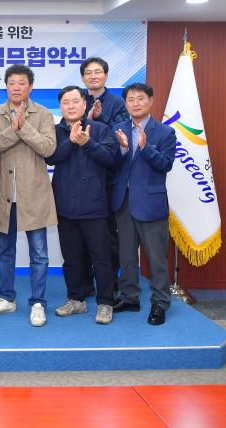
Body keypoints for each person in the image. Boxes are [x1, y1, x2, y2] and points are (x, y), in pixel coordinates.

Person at [0, 64, 57, 327]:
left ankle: (38, 303)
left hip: (33, 195)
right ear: (6, 86)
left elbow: (48, 148)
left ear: (30, 87)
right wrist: (13, 129)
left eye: (21, 83)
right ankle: (6, 298)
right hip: (4, 194)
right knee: (5, 251)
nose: (16, 87)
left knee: (39, 253)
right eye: (12, 83)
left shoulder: (43, 114)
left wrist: (24, 128)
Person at [46, 86, 118, 325]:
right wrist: (71, 141)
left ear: (84, 104)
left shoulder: (100, 129)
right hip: (64, 206)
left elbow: (111, 158)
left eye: (75, 101)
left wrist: (87, 143)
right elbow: (50, 157)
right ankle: (75, 299)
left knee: (101, 258)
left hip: (94, 206)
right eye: (65, 102)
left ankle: (105, 303)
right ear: (60, 107)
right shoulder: (55, 131)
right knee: (71, 258)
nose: (70, 106)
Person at [111, 83, 176, 326]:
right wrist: (122, 150)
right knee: (127, 254)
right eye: (130, 99)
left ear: (150, 101)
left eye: (140, 98)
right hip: (124, 200)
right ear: (125, 103)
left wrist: (144, 148)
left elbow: (165, 164)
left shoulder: (165, 132)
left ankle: (160, 303)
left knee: (157, 257)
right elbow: (111, 163)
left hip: (150, 203)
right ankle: (129, 297)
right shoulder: (117, 129)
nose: (135, 103)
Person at [80, 57, 129, 297]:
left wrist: (97, 120)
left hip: (107, 178)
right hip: (81, 177)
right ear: (83, 78)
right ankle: (86, 283)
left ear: (106, 76)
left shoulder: (117, 102)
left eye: (98, 72)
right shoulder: (77, 98)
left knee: (108, 233)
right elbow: (69, 132)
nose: (93, 76)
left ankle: (111, 282)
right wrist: (87, 118)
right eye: (88, 72)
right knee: (81, 235)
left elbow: (120, 135)